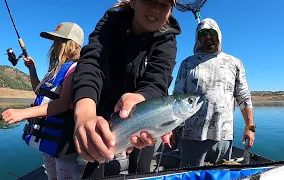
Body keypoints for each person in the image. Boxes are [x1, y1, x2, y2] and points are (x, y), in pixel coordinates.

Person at [71, 0, 181, 178]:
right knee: (92, 165)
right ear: (134, 2)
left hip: (144, 113)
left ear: (170, 11)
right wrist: (84, 114)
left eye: (164, 4)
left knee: (141, 168)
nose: (155, 9)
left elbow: (158, 80)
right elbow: (92, 64)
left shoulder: (168, 38)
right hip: (100, 109)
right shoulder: (111, 22)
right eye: (150, 0)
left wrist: (141, 97)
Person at [1, 22, 86, 180]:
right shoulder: (55, 69)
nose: (54, 46)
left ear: (71, 45)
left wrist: (23, 113)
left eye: (59, 41)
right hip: (49, 144)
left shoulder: (75, 69)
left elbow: (61, 104)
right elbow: (39, 91)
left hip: (64, 145)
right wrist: (32, 69)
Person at [173, 18, 256, 168]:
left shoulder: (234, 63)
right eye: (203, 33)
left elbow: (244, 98)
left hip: (223, 137)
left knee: (220, 175)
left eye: (212, 32)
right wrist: (172, 128)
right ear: (197, 38)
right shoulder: (187, 64)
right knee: (191, 176)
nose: (208, 36)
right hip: (192, 136)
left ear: (219, 35)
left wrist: (250, 127)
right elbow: (176, 99)